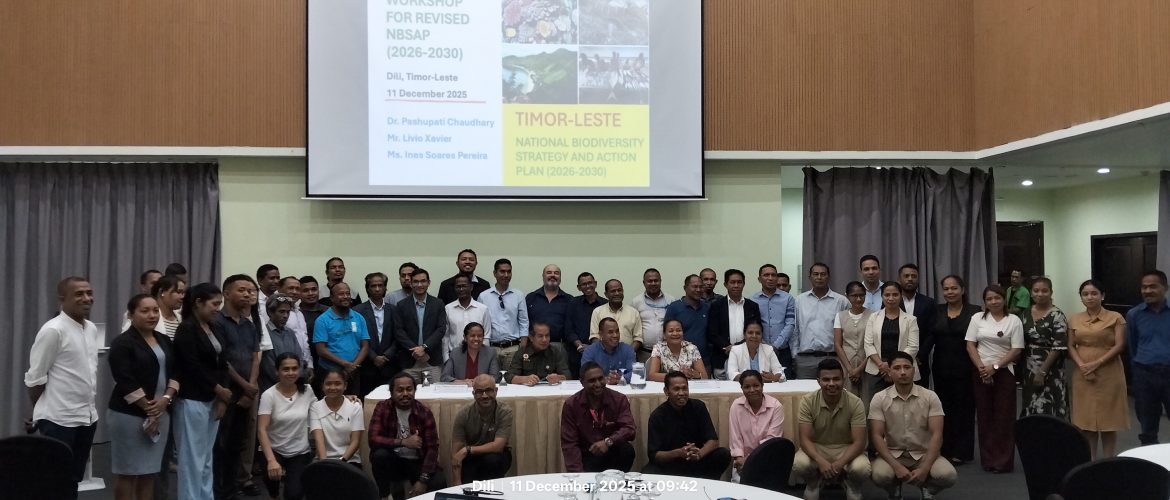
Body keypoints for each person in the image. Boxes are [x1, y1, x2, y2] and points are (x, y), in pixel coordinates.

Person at [24, 277, 101, 499]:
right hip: (59, 420)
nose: (87, 298)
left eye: (89, 293)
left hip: (87, 418)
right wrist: (38, 413)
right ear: (62, 298)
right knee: (54, 481)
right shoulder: (53, 330)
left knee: (74, 479)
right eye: (79, 294)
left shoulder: (91, 329)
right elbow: (35, 378)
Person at [107, 294, 178, 500]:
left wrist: (166, 399)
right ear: (131, 314)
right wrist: (149, 408)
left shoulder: (164, 340)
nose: (152, 315)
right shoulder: (122, 343)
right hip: (129, 415)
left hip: (162, 412)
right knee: (128, 472)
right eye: (145, 311)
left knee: (149, 472)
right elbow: (124, 378)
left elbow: (176, 372)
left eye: (155, 310)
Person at [172, 283, 232, 500]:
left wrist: (222, 397)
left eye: (220, 304)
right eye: (214, 304)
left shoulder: (213, 327)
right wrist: (218, 389)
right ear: (198, 303)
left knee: (206, 459)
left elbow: (223, 363)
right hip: (192, 399)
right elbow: (191, 366)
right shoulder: (186, 329)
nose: (218, 309)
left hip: (213, 399)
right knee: (191, 460)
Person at [869, 352, 956, 500]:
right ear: (889, 371)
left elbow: (937, 434)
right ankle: (894, 491)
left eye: (907, 367)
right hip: (893, 453)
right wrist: (896, 467)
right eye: (897, 368)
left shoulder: (930, 396)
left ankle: (927, 489)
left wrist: (925, 468)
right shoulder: (879, 398)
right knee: (880, 476)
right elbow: (876, 435)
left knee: (948, 476)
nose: (903, 372)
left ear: (914, 370)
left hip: (923, 453)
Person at [964, 285, 1024, 473]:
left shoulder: (1013, 320)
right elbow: (970, 345)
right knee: (984, 416)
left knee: (1004, 417)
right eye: (989, 299)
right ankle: (988, 460)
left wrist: (995, 367)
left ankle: (1003, 461)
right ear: (985, 302)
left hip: (1004, 372)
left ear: (1004, 299)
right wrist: (982, 369)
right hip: (981, 371)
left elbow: (1016, 349)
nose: (993, 302)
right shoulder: (977, 318)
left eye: (997, 298)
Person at [213, 274, 263, 500]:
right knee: (220, 445)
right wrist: (245, 387)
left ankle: (232, 489)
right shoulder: (217, 322)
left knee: (238, 444)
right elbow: (222, 361)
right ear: (226, 293)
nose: (246, 294)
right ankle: (219, 491)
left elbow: (255, 357)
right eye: (241, 290)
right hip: (226, 392)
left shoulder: (248, 324)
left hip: (247, 392)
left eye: (249, 291)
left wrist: (251, 387)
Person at [792, 358, 870, 500]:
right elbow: (804, 439)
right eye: (826, 380)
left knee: (862, 468)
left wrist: (840, 464)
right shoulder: (808, 401)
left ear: (843, 380)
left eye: (836, 379)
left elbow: (859, 442)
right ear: (818, 381)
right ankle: (813, 483)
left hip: (846, 448)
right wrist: (821, 461)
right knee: (799, 463)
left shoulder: (855, 402)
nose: (832, 384)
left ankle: (852, 484)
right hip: (818, 447)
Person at [1069, 279, 1129, 459]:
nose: (1090, 297)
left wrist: (1097, 363)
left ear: (1102, 296)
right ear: (1081, 297)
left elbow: (1120, 345)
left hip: (1109, 372)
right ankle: (1091, 462)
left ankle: (1109, 461)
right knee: (1087, 422)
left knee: (1109, 421)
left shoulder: (1115, 317)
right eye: (1085, 294)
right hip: (1082, 373)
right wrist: (1082, 365)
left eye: (1094, 293)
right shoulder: (1074, 318)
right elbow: (1071, 345)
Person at [369, 372, 445, 500]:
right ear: (391, 392)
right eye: (400, 390)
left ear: (415, 391)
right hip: (394, 460)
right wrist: (403, 442)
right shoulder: (382, 408)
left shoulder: (424, 412)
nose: (405, 394)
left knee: (439, 482)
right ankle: (385, 496)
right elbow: (373, 439)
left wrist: (422, 480)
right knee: (379, 455)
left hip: (417, 461)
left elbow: (432, 448)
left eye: (409, 389)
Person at [644, 371, 732, 479]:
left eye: (684, 388)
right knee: (649, 472)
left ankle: (707, 485)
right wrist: (678, 453)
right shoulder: (657, 416)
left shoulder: (698, 407)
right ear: (666, 391)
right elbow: (654, 455)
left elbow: (713, 441)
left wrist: (699, 454)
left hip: (696, 461)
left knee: (722, 454)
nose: (682, 393)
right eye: (676, 389)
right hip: (670, 465)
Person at [931, 275, 981, 465]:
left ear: (962, 290)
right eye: (946, 289)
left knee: (965, 409)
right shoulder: (938, 310)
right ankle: (945, 449)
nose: (950, 292)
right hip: (941, 367)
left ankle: (962, 451)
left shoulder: (975, 312)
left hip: (966, 368)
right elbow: (930, 337)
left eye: (954, 288)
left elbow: (980, 341)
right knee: (943, 409)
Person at [560, 362, 637, 472]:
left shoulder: (619, 399)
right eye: (592, 381)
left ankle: (617, 481)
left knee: (627, 450)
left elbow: (630, 429)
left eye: (601, 378)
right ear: (582, 382)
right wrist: (578, 476)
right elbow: (570, 444)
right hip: (587, 455)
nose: (598, 384)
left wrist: (608, 441)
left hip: (611, 451)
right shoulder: (571, 405)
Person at [257, 353, 314, 500]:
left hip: (300, 451)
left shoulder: (307, 390)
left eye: (294, 368)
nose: (291, 373)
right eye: (286, 369)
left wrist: (344, 398)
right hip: (274, 449)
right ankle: (274, 496)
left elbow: (322, 408)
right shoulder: (269, 395)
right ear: (277, 371)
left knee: (294, 494)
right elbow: (262, 429)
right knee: (271, 476)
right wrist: (271, 461)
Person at [1127, 270, 1170, 445]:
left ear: (1165, 288)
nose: (1147, 291)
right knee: (1147, 425)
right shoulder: (1134, 314)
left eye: (1153, 286)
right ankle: (1150, 459)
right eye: (1144, 287)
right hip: (1144, 375)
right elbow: (1132, 345)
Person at [451, 374, 514, 484]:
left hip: (497, 455)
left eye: (488, 390)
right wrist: (457, 483)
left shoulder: (505, 411)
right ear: (473, 394)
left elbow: (498, 446)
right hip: (472, 457)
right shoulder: (463, 414)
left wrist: (468, 449)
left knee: (492, 461)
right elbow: (456, 454)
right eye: (479, 392)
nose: (484, 396)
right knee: (467, 486)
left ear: (496, 391)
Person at [1020, 277, 1069, 418]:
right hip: (1028, 366)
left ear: (1051, 292)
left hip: (1051, 368)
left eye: (1044, 291)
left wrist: (1042, 372)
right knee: (1030, 405)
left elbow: (1058, 347)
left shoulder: (1057, 315)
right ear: (1031, 292)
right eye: (1036, 291)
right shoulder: (1025, 313)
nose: (1040, 294)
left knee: (1050, 405)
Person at [794, 262, 850, 380]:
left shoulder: (841, 301)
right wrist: (795, 355)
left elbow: (848, 332)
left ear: (828, 277)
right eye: (816, 274)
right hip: (805, 360)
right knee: (805, 391)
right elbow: (795, 329)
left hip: (832, 358)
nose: (819, 277)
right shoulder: (800, 301)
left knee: (832, 390)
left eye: (823, 274)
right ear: (810, 277)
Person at [863, 282, 920, 398]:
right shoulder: (873, 317)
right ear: (882, 296)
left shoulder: (911, 320)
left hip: (902, 368)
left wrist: (893, 365)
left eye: (895, 295)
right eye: (887, 295)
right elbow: (868, 344)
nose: (891, 298)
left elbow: (913, 346)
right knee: (876, 404)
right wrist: (882, 365)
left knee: (903, 403)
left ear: (901, 296)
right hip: (877, 368)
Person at [312, 282, 370, 395]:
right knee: (330, 403)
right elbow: (321, 350)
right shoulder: (322, 320)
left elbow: (365, 346)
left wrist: (353, 366)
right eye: (341, 294)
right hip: (329, 372)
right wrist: (345, 364)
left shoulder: (358, 317)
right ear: (332, 298)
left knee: (353, 402)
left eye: (348, 293)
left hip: (353, 372)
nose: (345, 297)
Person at [728, 370, 784, 481]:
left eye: (756, 385)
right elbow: (735, 438)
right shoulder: (736, 406)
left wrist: (749, 460)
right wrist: (740, 459)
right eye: (747, 387)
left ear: (762, 385)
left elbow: (772, 440)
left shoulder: (776, 406)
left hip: (768, 457)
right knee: (739, 485)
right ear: (741, 388)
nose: (752, 390)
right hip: (742, 460)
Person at [394, 268, 447, 384]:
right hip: (410, 361)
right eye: (416, 281)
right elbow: (399, 331)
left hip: (431, 360)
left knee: (434, 394)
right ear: (411, 283)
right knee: (409, 393)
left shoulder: (438, 303)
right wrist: (417, 351)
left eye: (423, 281)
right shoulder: (401, 305)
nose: (419, 285)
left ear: (429, 282)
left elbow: (441, 329)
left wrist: (424, 347)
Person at [708, 269, 761, 379]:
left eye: (739, 282)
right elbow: (712, 332)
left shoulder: (752, 306)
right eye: (732, 282)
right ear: (725, 284)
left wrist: (737, 347)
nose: (736, 285)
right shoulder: (716, 306)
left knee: (747, 384)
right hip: (722, 357)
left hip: (746, 355)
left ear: (744, 284)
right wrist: (727, 347)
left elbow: (757, 330)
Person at [478, 258, 529, 370]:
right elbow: (479, 323)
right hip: (491, 348)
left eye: (509, 271)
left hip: (513, 348)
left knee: (512, 379)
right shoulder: (484, 296)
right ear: (494, 273)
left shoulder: (518, 295)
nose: (506, 275)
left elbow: (524, 322)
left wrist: (523, 348)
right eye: (502, 271)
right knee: (492, 378)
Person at [353, 272, 398, 397]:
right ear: (368, 288)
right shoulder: (357, 311)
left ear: (385, 288)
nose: (377, 289)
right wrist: (373, 357)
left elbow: (399, 336)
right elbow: (357, 338)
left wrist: (386, 355)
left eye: (380, 285)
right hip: (367, 366)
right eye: (373, 286)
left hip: (390, 366)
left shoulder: (394, 310)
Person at [310, 369, 365, 465]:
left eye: (337, 383)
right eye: (328, 384)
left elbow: (355, 441)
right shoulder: (315, 407)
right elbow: (319, 441)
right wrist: (325, 464)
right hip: (323, 461)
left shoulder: (355, 407)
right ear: (322, 386)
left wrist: (341, 463)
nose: (333, 387)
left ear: (345, 386)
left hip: (349, 460)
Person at [751, 264, 797, 380]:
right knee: (761, 382)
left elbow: (790, 324)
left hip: (782, 351)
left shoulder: (788, 298)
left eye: (773, 275)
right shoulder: (753, 300)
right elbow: (753, 325)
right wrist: (764, 345)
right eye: (766, 275)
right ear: (759, 279)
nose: (770, 278)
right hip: (759, 350)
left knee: (785, 383)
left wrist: (776, 346)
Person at [834, 281, 874, 399]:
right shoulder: (840, 316)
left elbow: (875, 344)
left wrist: (859, 369)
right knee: (847, 399)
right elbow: (837, 344)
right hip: (846, 364)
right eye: (854, 296)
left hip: (867, 363)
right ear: (847, 296)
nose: (858, 299)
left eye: (861, 295)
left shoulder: (874, 315)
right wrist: (850, 369)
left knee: (867, 399)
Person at [898, 264, 937, 388]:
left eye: (913, 276)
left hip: (920, 361)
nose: (910, 279)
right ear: (899, 279)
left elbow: (932, 332)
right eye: (906, 276)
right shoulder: (892, 301)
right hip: (896, 360)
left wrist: (920, 355)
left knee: (920, 395)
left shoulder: (929, 302)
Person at [665, 274, 714, 370]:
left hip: (704, 360)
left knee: (705, 380)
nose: (698, 290)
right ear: (685, 288)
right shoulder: (674, 307)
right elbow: (666, 334)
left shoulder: (707, 307)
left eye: (701, 287)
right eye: (695, 287)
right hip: (680, 361)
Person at [565, 272, 608, 378]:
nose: (588, 286)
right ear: (579, 287)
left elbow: (608, 330)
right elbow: (568, 329)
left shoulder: (606, 304)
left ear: (595, 283)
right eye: (584, 284)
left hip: (601, 353)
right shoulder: (573, 303)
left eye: (590, 283)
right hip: (577, 353)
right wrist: (579, 345)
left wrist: (593, 347)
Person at [443, 275, 493, 361]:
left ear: (471, 287)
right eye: (458, 286)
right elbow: (445, 337)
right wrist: (446, 359)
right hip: (455, 357)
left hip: (478, 357)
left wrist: (484, 359)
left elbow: (486, 336)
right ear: (454, 288)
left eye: (464, 286)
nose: (461, 289)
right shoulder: (448, 309)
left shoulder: (483, 309)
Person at [630, 268, 674, 362]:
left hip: (667, 352)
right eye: (650, 281)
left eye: (656, 280)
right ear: (644, 283)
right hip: (644, 353)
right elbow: (633, 327)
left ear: (660, 281)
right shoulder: (636, 302)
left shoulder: (671, 300)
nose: (653, 283)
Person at [526, 264, 573, 353]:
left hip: (560, 347)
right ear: (543, 276)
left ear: (560, 277)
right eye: (549, 272)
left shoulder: (569, 300)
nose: (552, 275)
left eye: (556, 273)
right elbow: (524, 322)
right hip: (535, 347)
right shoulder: (531, 297)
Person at [504, 322, 570, 385]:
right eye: (540, 336)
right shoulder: (522, 352)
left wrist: (559, 378)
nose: (544, 340)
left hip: (550, 389)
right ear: (531, 337)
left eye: (547, 336)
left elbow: (568, 375)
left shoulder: (555, 351)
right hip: (528, 390)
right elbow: (509, 377)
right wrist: (524, 379)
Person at [589, 279, 644, 353]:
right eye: (613, 291)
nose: (617, 293)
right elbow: (594, 337)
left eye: (619, 290)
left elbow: (638, 338)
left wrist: (628, 354)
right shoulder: (597, 312)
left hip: (627, 356)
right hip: (603, 357)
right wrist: (604, 354)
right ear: (606, 294)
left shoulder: (633, 312)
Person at [581, 318, 636, 384]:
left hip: (623, 388)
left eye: (617, 331)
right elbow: (586, 374)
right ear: (601, 334)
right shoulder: (590, 351)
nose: (615, 335)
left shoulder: (628, 350)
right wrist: (604, 379)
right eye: (610, 332)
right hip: (597, 388)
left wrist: (620, 379)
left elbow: (634, 373)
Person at [150, 274, 186, 339]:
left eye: (183, 293)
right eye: (178, 292)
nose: (182, 297)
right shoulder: (149, 317)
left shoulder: (182, 319)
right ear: (162, 292)